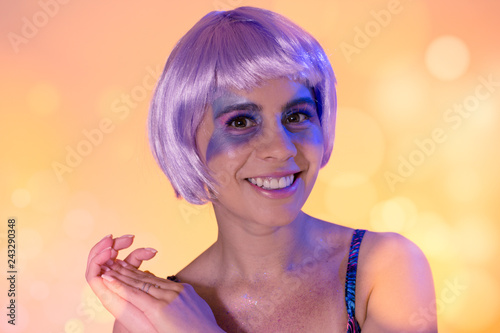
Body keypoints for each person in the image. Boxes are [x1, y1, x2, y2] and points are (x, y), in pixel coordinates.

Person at [86, 6, 437, 332]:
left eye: (296, 116)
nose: (282, 148)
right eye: (240, 121)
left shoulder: (384, 267)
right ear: (185, 141)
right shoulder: (150, 317)